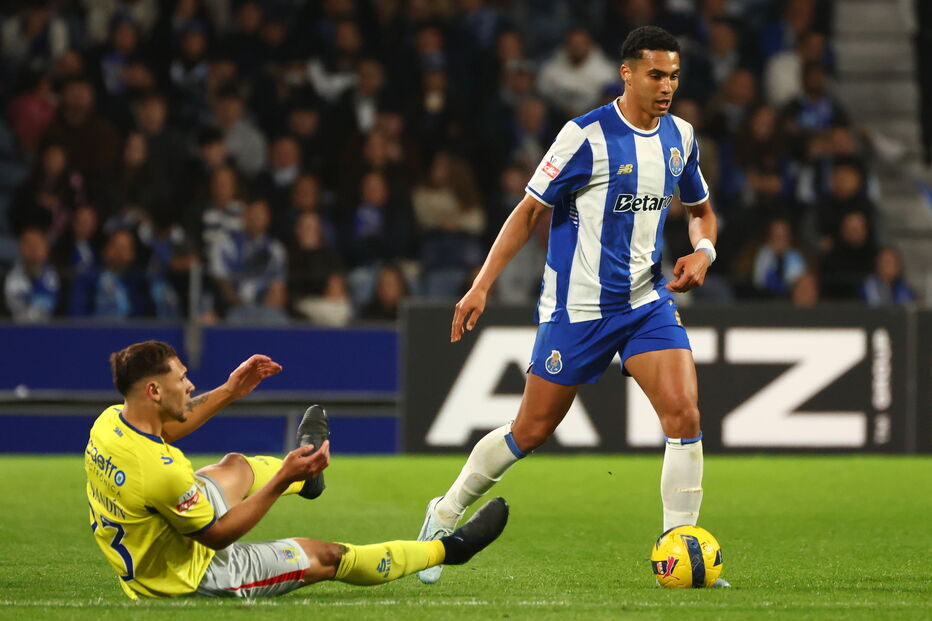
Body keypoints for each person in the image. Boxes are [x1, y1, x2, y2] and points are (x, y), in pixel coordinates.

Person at [415, 26, 725, 587]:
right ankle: (445, 510)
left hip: (645, 302)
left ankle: (679, 550)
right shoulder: (584, 136)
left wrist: (703, 251)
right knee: (529, 432)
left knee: (684, 415)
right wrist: (481, 285)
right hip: (577, 311)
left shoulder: (680, 136)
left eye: (674, 76)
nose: (667, 86)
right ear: (627, 73)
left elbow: (701, 210)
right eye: (656, 75)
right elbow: (529, 212)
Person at [86, 341, 508, 600]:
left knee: (235, 466)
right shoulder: (161, 472)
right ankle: (449, 549)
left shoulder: (109, 423)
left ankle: (307, 478)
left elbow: (170, 426)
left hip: (157, 538)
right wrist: (279, 480)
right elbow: (217, 536)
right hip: (188, 574)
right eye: (182, 379)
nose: (190, 385)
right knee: (328, 556)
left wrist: (231, 389)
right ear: (154, 390)